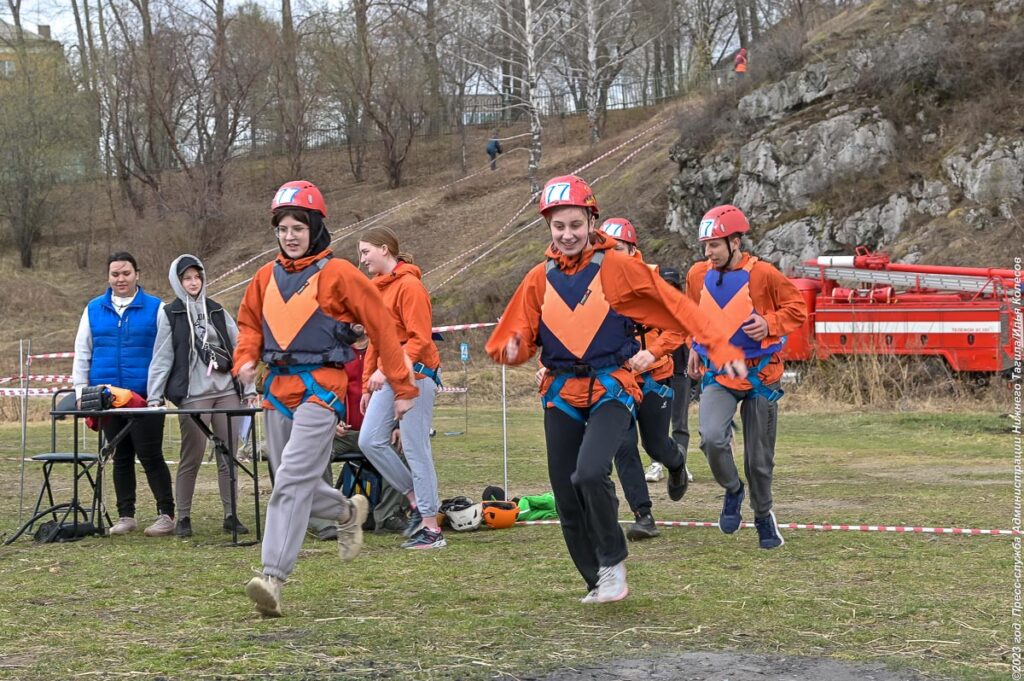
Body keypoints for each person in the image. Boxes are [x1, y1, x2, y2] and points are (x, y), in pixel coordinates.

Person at [486, 175, 746, 604]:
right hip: (561, 394)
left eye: (575, 224)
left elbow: (672, 304)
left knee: (589, 473)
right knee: (566, 497)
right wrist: (511, 351)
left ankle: (613, 562)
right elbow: (515, 335)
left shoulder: (617, 266)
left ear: (592, 220)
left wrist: (719, 342)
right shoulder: (538, 278)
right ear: (548, 228)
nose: (567, 234)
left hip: (613, 388)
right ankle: (596, 580)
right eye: (558, 226)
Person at [234, 180, 418, 617]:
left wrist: (403, 388)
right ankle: (346, 512)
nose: (290, 235)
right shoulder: (263, 277)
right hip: (277, 391)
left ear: (315, 228)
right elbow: (249, 327)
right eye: (283, 228)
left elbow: (381, 328)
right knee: (290, 484)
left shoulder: (340, 274)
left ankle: (272, 578)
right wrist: (245, 358)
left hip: (322, 390)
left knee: (292, 481)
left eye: (299, 226)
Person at [685, 205, 807, 549]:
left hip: (761, 376)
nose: (707, 252)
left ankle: (763, 514)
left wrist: (769, 324)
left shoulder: (764, 274)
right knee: (711, 437)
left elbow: (797, 308)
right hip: (719, 375)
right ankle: (733, 489)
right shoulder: (697, 274)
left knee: (759, 460)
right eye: (705, 245)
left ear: (735, 241)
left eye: (714, 245)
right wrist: (693, 346)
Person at [147, 254, 257, 538]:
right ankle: (183, 517)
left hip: (226, 392)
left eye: (197, 277)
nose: (193, 282)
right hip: (193, 395)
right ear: (177, 281)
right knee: (191, 455)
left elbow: (240, 348)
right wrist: (154, 396)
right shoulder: (170, 313)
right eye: (187, 278)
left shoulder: (218, 311)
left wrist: (249, 389)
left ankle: (231, 514)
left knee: (229, 455)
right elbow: (162, 356)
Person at [72, 252, 176, 537]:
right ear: (108, 276)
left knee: (151, 455)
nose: (121, 279)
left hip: (145, 398)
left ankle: (166, 514)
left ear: (137, 274)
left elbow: (165, 353)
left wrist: (157, 393)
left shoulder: (157, 308)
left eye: (126, 273)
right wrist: (81, 391)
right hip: (107, 398)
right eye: (115, 274)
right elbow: (83, 351)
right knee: (120, 457)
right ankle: (125, 515)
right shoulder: (93, 309)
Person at [598, 218, 690, 542]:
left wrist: (653, 352)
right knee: (622, 446)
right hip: (618, 381)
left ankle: (676, 462)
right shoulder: (593, 286)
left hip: (655, 376)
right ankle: (643, 515)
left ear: (632, 249)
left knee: (655, 444)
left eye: (618, 249)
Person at [357, 227, 445, 550]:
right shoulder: (375, 291)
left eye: (366, 251)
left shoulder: (410, 286)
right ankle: (415, 497)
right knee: (369, 440)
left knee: (414, 447)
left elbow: (420, 339)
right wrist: (369, 381)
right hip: (388, 378)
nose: (362, 258)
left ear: (384, 249)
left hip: (416, 376)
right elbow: (374, 341)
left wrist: (386, 371)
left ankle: (431, 529)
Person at [307, 325, 408, 540]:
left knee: (403, 449)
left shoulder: (384, 347)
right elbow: (319, 388)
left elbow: (402, 382)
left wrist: (398, 425)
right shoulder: (333, 350)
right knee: (314, 450)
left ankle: (388, 515)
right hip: (345, 433)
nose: (357, 320)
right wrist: (331, 419)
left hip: (380, 433)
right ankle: (326, 519)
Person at [645, 265, 695, 486]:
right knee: (657, 423)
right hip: (658, 373)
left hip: (681, 371)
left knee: (680, 421)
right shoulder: (649, 310)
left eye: (673, 285)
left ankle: (680, 464)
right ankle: (657, 463)